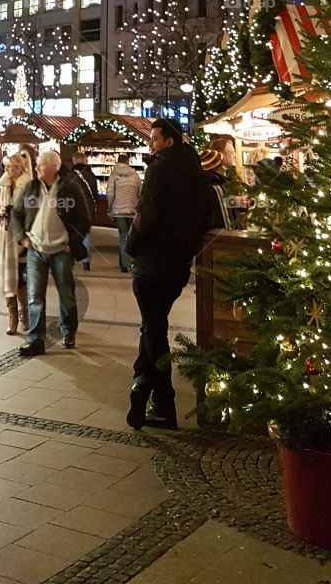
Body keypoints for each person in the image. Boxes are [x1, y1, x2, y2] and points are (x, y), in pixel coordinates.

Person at [125, 117, 214, 431]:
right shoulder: (197, 173)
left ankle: (162, 399)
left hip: (151, 264)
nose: (151, 143)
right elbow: (208, 217)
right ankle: (142, 386)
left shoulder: (160, 168)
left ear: (170, 141)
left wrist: (130, 245)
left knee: (154, 332)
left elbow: (146, 215)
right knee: (151, 326)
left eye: (155, 139)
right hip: (177, 267)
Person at [11, 149, 91, 356]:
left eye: (40, 164)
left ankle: (69, 331)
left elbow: (83, 218)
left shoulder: (70, 188)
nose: (36, 168)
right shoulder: (31, 187)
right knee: (34, 296)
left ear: (53, 167)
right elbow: (16, 213)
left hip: (61, 250)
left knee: (66, 294)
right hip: (35, 250)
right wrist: (22, 237)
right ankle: (36, 339)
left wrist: (72, 243)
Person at [0, 150, 32, 334]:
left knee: (20, 278)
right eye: (5, 166)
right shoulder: (2, 183)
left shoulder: (28, 185)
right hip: (5, 236)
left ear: (18, 168)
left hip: (21, 238)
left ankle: (25, 314)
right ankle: (13, 316)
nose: (5, 169)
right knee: (8, 279)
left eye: (9, 166)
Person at [106, 151, 141, 273]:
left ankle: (125, 264)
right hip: (132, 210)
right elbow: (140, 191)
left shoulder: (114, 175)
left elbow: (110, 194)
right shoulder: (135, 175)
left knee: (123, 236)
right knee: (130, 237)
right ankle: (126, 261)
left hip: (118, 211)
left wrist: (109, 208)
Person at [71, 152, 98, 270]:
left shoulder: (70, 175)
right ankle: (86, 261)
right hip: (88, 206)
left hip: (74, 206)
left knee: (72, 231)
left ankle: (72, 257)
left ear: (74, 161)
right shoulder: (91, 175)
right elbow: (95, 192)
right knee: (86, 232)